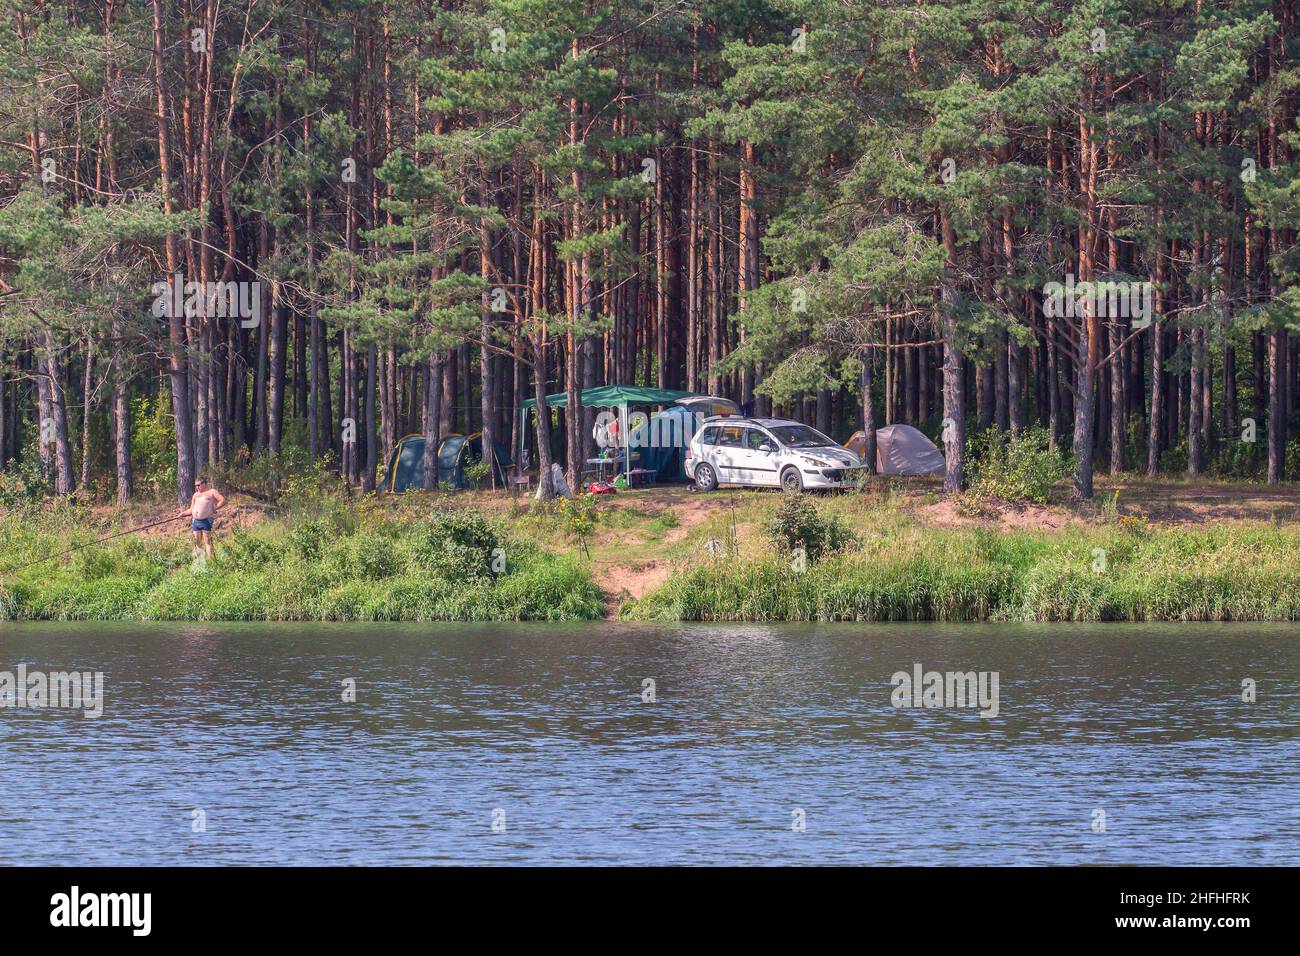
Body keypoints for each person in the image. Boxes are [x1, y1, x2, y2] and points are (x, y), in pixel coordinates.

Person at [178, 478, 225, 561]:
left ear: (204, 484)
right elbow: (191, 509)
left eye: (199, 485)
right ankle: (199, 562)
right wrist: (183, 513)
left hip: (206, 520)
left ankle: (211, 561)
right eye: (196, 485)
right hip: (196, 521)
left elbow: (222, 500)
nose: (197, 487)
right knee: (197, 542)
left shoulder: (211, 492)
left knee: (207, 541)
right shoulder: (195, 495)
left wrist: (215, 508)